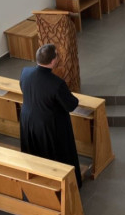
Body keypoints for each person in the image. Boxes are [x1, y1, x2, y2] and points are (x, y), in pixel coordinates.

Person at [20, 44, 83, 188]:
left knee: (35, 152)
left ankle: (36, 179)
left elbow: (25, 89)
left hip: (28, 121)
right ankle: (65, 185)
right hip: (49, 126)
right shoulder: (56, 83)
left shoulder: (25, 72)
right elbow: (71, 105)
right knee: (56, 155)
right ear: (53, 61)